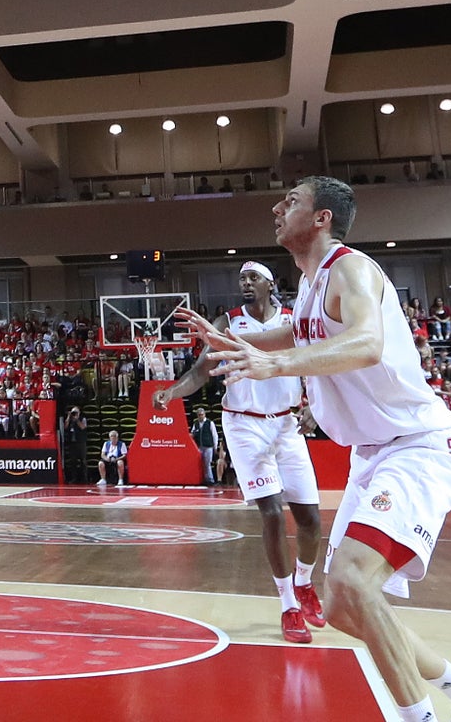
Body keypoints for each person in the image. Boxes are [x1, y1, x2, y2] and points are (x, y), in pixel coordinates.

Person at [180, 177, 451, 722]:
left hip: (417, 445)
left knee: (351, 581)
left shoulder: (351, 268)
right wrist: (232, 342)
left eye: (292, 200)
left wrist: (275, 365)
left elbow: (366, 343)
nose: (277, 208)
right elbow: (294, 334)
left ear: (322, 217)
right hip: (373, 453)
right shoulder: (311, 284)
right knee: (345, 606)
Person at [156, 260, 325, 644]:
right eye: (242, 279)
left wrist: (315, 406)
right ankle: (288, 605)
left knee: (311, 520)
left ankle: (304, 583)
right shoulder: (228, 322)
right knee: (272, 513)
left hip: (287, 424)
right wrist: (172, 392)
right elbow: (202, 370)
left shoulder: (293, 321)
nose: (246, 283)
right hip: (244, 424)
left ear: (270, 284)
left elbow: (317, 366)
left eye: (253, 278)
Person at [189, 407, 218, 485]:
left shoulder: (210, 423)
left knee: (207, 463)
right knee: (200, 464)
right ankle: (202, 479)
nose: (200, 416)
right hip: (199, 446)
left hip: (208, 446)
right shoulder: (196, 424)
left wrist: (215, 446)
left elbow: (214, 435)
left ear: (204, 414)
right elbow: (192, 434)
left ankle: (210, 480)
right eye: (199, 415)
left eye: (202, 414)